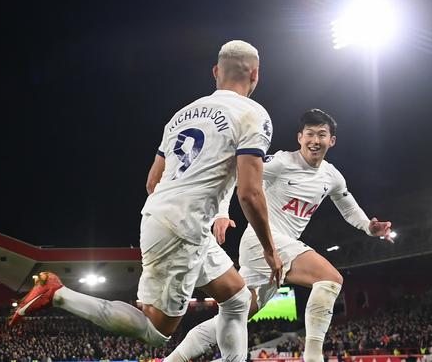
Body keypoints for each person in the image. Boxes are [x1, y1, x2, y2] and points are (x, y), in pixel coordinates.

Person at [9, 40, 282, 362]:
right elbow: (250, 192)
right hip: (185, 227)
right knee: (156, 331)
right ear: (255, 74)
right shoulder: (253, 114)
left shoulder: (183, 115)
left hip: (174, 218)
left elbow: (153, 181)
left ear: (215, 72)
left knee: (237, 298)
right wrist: (269, 250)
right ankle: (59, 294)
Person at [165, 109, 394, 362]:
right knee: (330, 279)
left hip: (275, 249)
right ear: (299, 137)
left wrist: (368, 227)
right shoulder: (281, 162)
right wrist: (221, 212)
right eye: (309, 134)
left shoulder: (332, 176)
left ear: (332, 140)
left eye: (321, 135)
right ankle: (314, 357)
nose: (314, 141)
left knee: (235, 315)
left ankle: (173, 360)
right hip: (262, 241)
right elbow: (236, 173)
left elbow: (348, 206)